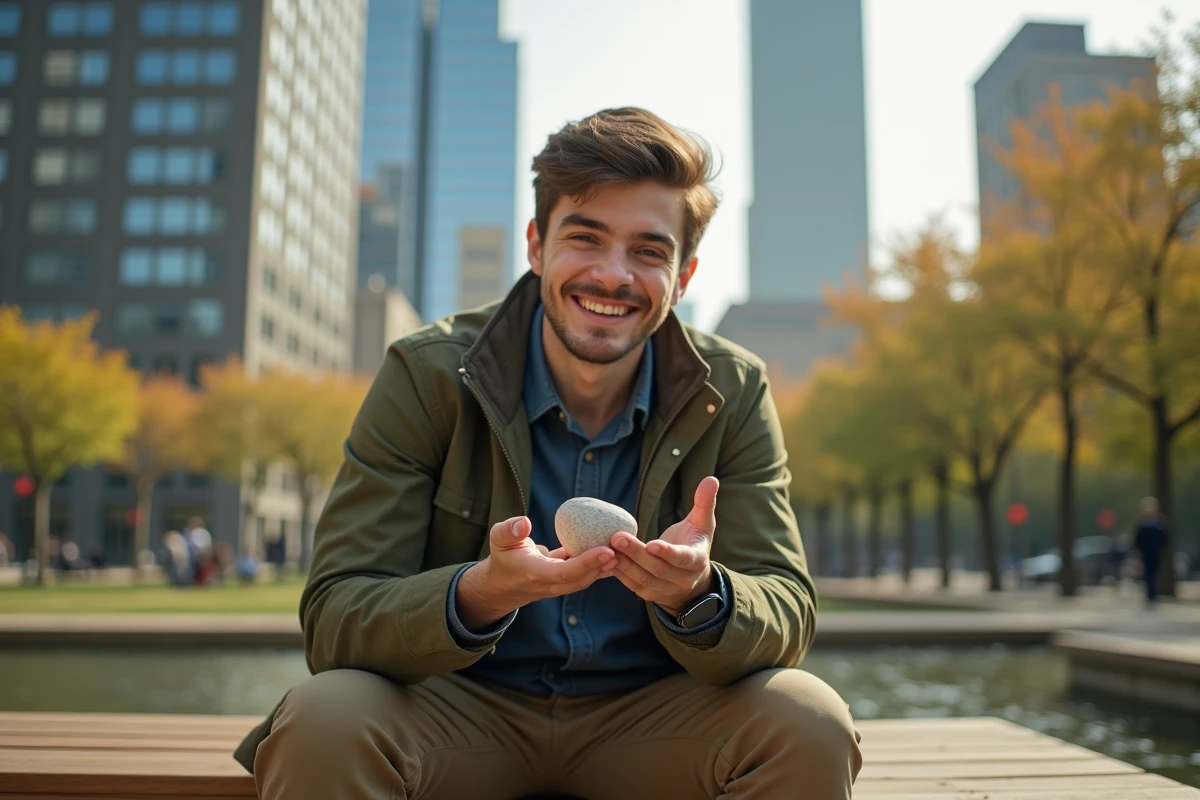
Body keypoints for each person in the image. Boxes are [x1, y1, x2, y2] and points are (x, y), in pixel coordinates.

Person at [236, 108, 861, 799]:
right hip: (456, 712)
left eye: (649, 251)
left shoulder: (734, 387)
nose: (612, 275)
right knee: (325, 717)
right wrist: (482, 591)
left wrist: (699, 594)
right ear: (536, 246)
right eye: (585, 238)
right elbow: (334, 618)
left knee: (809, 719)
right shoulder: (426, 374)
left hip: (656, 720)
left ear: (682, 277)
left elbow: (788, 610)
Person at [1134, 496, 1170, 606]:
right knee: (1151, 573)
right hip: (1153, 552)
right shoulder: (1160, 523)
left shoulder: (1144, 524)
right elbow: (1165, 538)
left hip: (1149, 553)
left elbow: (1137, 540)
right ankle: (1152, 594)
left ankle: (1151, 594)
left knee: (1150, 573)